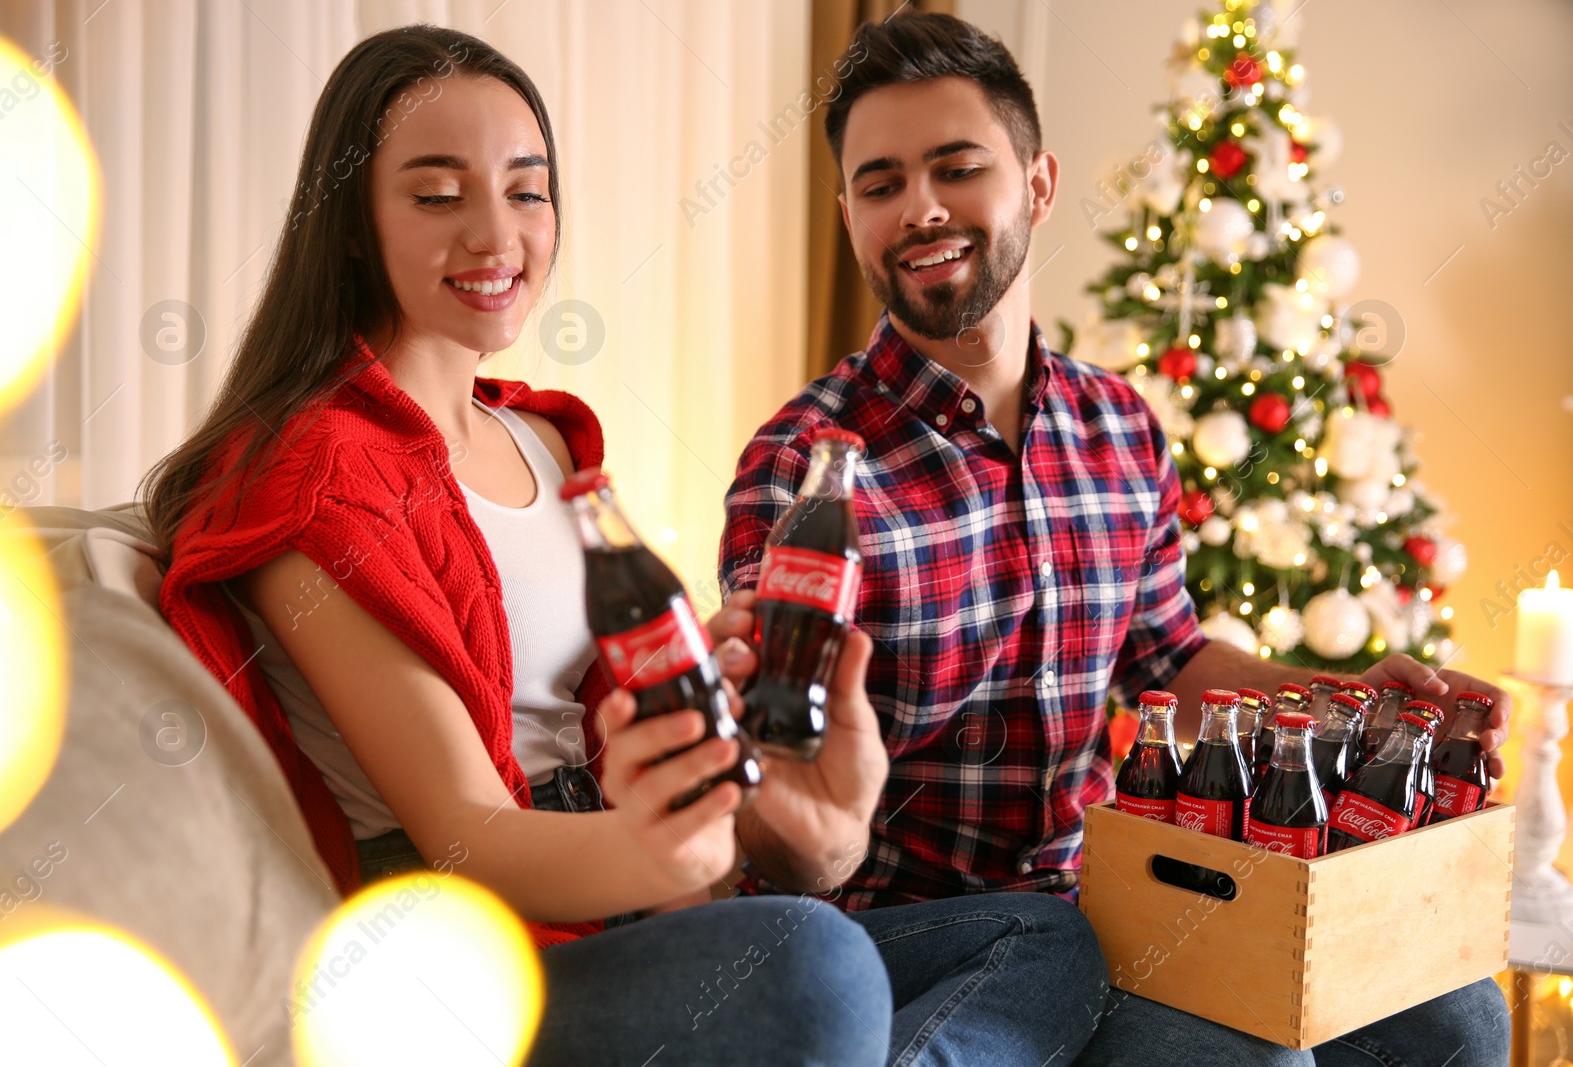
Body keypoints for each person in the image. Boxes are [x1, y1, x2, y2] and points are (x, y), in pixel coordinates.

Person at [146, 24, 1104, 1065]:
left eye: (526, 189)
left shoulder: (546, 437)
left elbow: (643, 734)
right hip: (466, 960)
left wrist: (735, 730)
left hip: (631, 902)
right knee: (812, 962)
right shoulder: (312, 472)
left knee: (1042, 933)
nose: (495, 234)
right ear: (348, 222)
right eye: (436, 195)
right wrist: (670, 853)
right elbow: (467, 833)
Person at [718, 12, 1512, 1066]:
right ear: (850, 211)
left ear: (1038, 184)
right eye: (879, 183)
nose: (918, 208)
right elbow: (776, 783)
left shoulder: (1117, 425)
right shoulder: (806, 469)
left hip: (1104, 900)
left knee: (1464, 1020)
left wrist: (1341, 696)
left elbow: (1168, 659)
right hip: (910, 934)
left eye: (956, 167)